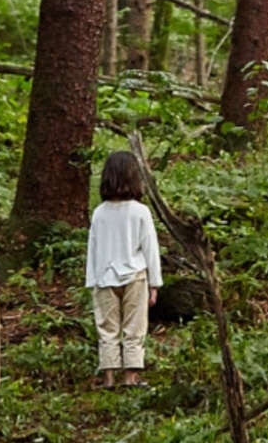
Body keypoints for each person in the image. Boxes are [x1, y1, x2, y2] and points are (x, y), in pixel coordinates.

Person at [85, 150, 162, 388]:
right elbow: (150, 248)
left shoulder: (99, 213)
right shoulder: (140, 211)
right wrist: (155, 283)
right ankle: (131, 377)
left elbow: (93, 249)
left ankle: (109, 378)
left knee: (107, 329)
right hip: (135, 276)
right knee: (134, 328)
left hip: (104, 277)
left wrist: (92, 280)